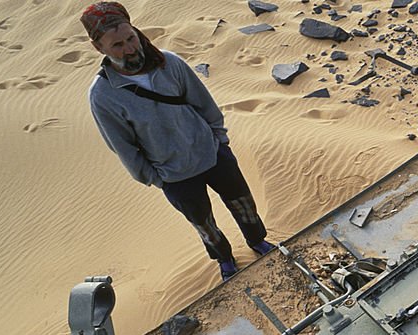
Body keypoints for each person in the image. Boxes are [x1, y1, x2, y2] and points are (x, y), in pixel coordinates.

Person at [82, 2, 274, 281]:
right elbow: (123, 147)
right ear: (99, 48)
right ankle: (226, 260)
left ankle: (258, 242)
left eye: (131, 38)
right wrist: (157, 178)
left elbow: (204, 103)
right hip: (174, 176)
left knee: (243, 204)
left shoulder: (169, 62)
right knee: (204, 224)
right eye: (118, 45)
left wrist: (220, 141)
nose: (130, 49)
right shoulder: (103, 95)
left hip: (213, 155)